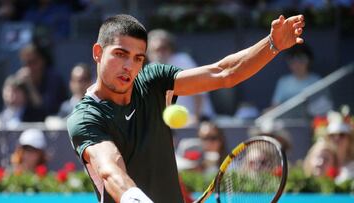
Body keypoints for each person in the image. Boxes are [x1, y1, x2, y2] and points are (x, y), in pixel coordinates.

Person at [66, 14, 305, 202]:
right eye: (120, 54)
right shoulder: (86, 117)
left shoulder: (153, 82)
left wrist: (272, 44)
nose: (129, 66)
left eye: (138, 58)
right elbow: (111, 169)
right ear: (98, 52)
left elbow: (224, 73)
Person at [147, 29, 216, 125]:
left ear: (170, 48)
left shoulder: (183, 61)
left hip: (199, 120)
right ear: (149, 52)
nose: (160, 53)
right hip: (173, 122)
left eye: (163, 48)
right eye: (156, 50)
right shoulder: (150, 70)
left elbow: (199, 91)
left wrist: (196, 117)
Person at [271, 44, 332, 117]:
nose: (297, 64)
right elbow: (275, 107)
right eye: (293, 60)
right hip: (286, 123)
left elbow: (325, 107)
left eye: (301, 60)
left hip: (311, 123)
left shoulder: (317, 81)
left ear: (309, 61)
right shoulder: (283, 82)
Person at [16, 42, 67, 117]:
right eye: (25, 63)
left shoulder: (54, 79)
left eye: (32, 62)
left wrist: (29, 86)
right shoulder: (21, 79)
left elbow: (47, 109)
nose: (28, 67)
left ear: (42, 61)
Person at [324, 111, 354, 183]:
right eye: (332, 135)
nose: (336, 138)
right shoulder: (321, 162)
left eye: (342, 135)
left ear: (349, 139)